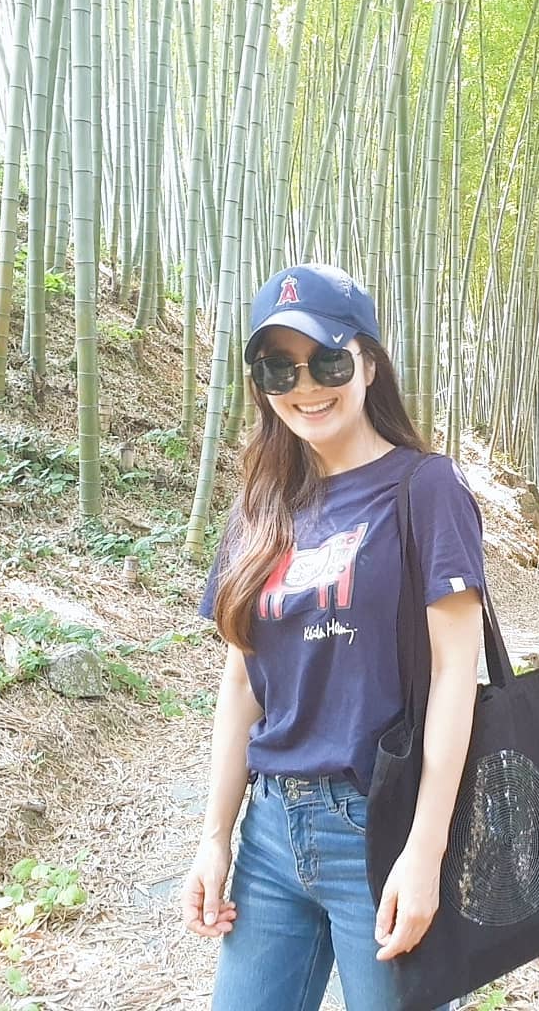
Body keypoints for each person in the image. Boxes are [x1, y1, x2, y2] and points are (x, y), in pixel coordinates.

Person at [182, 263, 485, 1011]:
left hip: (377, 827)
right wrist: (215, 836)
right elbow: (241, 682)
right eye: (278, 368)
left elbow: (456, 673)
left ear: (369, 364)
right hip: (269, 834)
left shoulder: (427, 488)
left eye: (327, 361)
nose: (305, 386)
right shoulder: (260, 507)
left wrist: (427, 849)